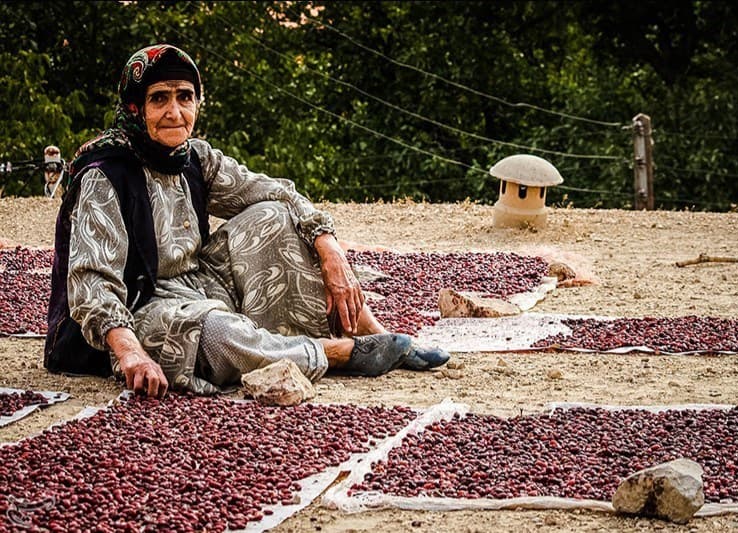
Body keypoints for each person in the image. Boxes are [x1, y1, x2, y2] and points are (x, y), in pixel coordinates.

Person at [45, 44, 448, 397]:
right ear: (135, 107)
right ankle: (334, 352)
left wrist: (330, 248)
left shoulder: (194, 158)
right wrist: (131, 353)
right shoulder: (106, 172)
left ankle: (376, 336)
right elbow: (92, 283)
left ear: (198, 103)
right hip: (134, 310)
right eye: (159, 99)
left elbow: (279, 193)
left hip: (196, 286)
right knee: (216, 332)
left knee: (273, 216)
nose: (174, 112)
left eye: (185, 97)